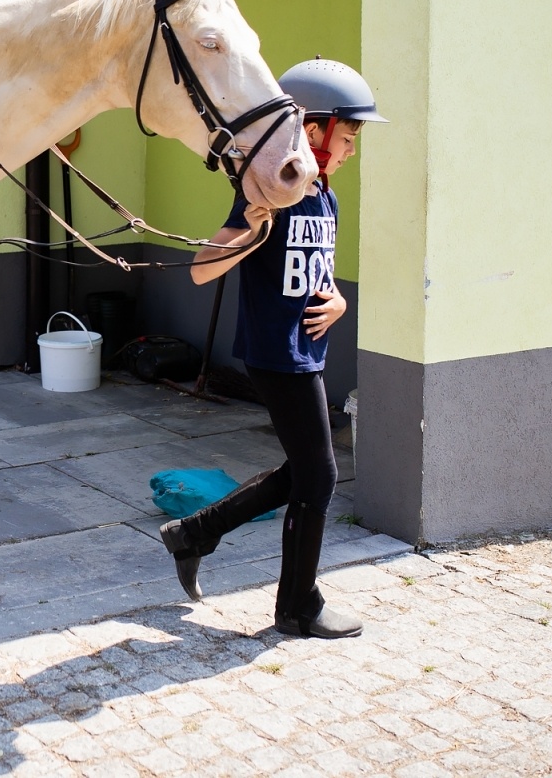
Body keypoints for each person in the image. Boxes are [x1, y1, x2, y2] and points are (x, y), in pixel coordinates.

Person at [159, 57, 386, 639]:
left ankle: (194, 533)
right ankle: (297, 606)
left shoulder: (325, 196)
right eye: (350, 135)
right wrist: (251, 231)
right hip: (275, 352)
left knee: (304, 471)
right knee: (321, 476)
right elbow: (201, 272)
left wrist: (337, 302)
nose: (353, 149)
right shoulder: (267, 192)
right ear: (313, 130)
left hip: (304, 351)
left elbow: (315, 275)